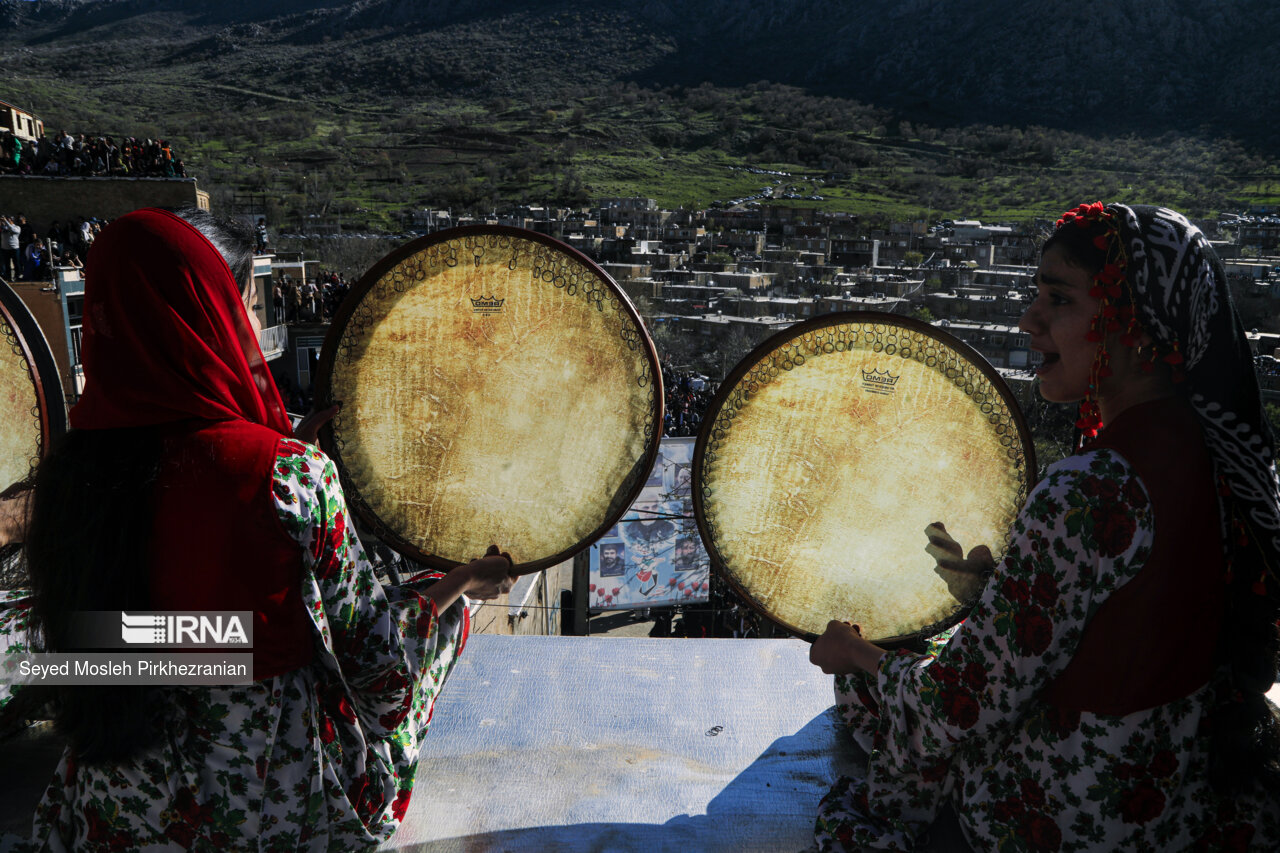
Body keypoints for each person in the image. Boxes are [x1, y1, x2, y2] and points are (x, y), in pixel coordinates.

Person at [0, 208, 517, 850]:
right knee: (431, 627)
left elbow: (89, 652)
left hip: (110, 811)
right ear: (207, 312)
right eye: (241, 303)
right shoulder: (288, 476)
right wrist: (460, 582)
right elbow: (381, 678)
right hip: (261, 811)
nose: (247, 327)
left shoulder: (67, 477)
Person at [809, 203, 1280, 850]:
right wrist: (994, 592)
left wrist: (853, 651)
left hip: (1081, 805)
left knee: (868, 686)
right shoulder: (1210, 457)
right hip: (1176, 779)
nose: (1028, 319)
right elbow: (1135, 625)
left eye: (1057, 298)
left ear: (1137, 327)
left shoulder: (1089, 487)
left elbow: (955, 706)